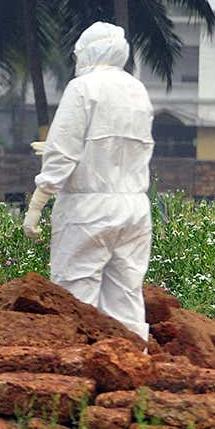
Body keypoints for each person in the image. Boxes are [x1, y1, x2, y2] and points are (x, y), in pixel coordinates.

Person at [23, 21, 154, 339]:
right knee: (125, 298)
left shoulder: (83, 88)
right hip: (134, 207)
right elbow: (122, 146)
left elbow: (63, 151)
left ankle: (76, 373)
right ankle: (132, 372)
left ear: (86, 52)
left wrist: (37, 203)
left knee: (73, 297)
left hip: (87, 208)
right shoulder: (137, 89)